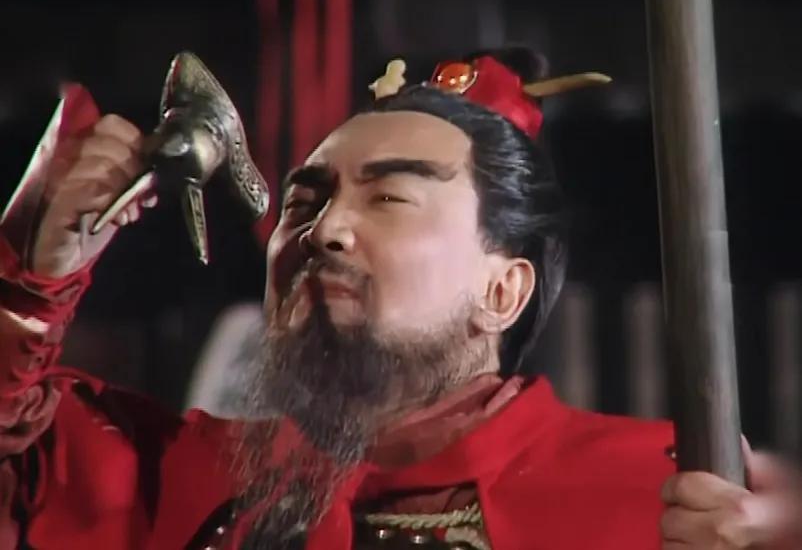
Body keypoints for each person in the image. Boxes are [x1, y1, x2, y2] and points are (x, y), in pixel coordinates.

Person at [0, 47, 799, 550]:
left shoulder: (670, 492)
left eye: (390, 198)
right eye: (304, 203)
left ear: (503, 289)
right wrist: (36, 276)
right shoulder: (174, 475)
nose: (325, 230)